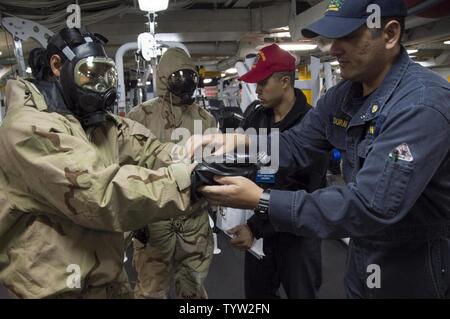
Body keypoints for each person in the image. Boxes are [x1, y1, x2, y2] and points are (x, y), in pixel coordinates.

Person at [190, 0, 450, 298]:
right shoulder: (345, 95)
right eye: (333, 38)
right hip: (365, 257)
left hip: (414, 268)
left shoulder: (421, 106)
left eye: (348, 36)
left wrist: (261, 200)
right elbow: (297, 142)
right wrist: (242, 140)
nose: (333, 49)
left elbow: (368, 206)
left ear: (389, 35)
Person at [0, 28, 197, 299]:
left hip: (108, 282)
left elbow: (150, 150)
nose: (100, 87)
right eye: (90, 75)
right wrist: (191, 182)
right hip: (56, 292)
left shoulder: (96, 123)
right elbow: (100, 194)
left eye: (105, 77)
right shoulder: (28, 129)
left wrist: (199, 159)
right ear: (57, 66)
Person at [228, 44, 326, 299]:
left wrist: (254, 226)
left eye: (262, 83)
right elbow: (243, 165)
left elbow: (298, 187)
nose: (257, 90)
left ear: (285, 82)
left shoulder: (312, 124)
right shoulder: (255, 117)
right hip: (259, 229)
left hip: (297, 233)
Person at [127, 48, 216, 299]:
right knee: (151, 290)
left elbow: (211, 166)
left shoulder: (205, 119)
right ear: (164, 78)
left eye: (190, 75)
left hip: (193, 218)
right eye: (179, 76)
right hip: (155, 218)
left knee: (193, 289)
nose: (185, 82)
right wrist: (135, 220)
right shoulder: (140, 116)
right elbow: (129, 168)